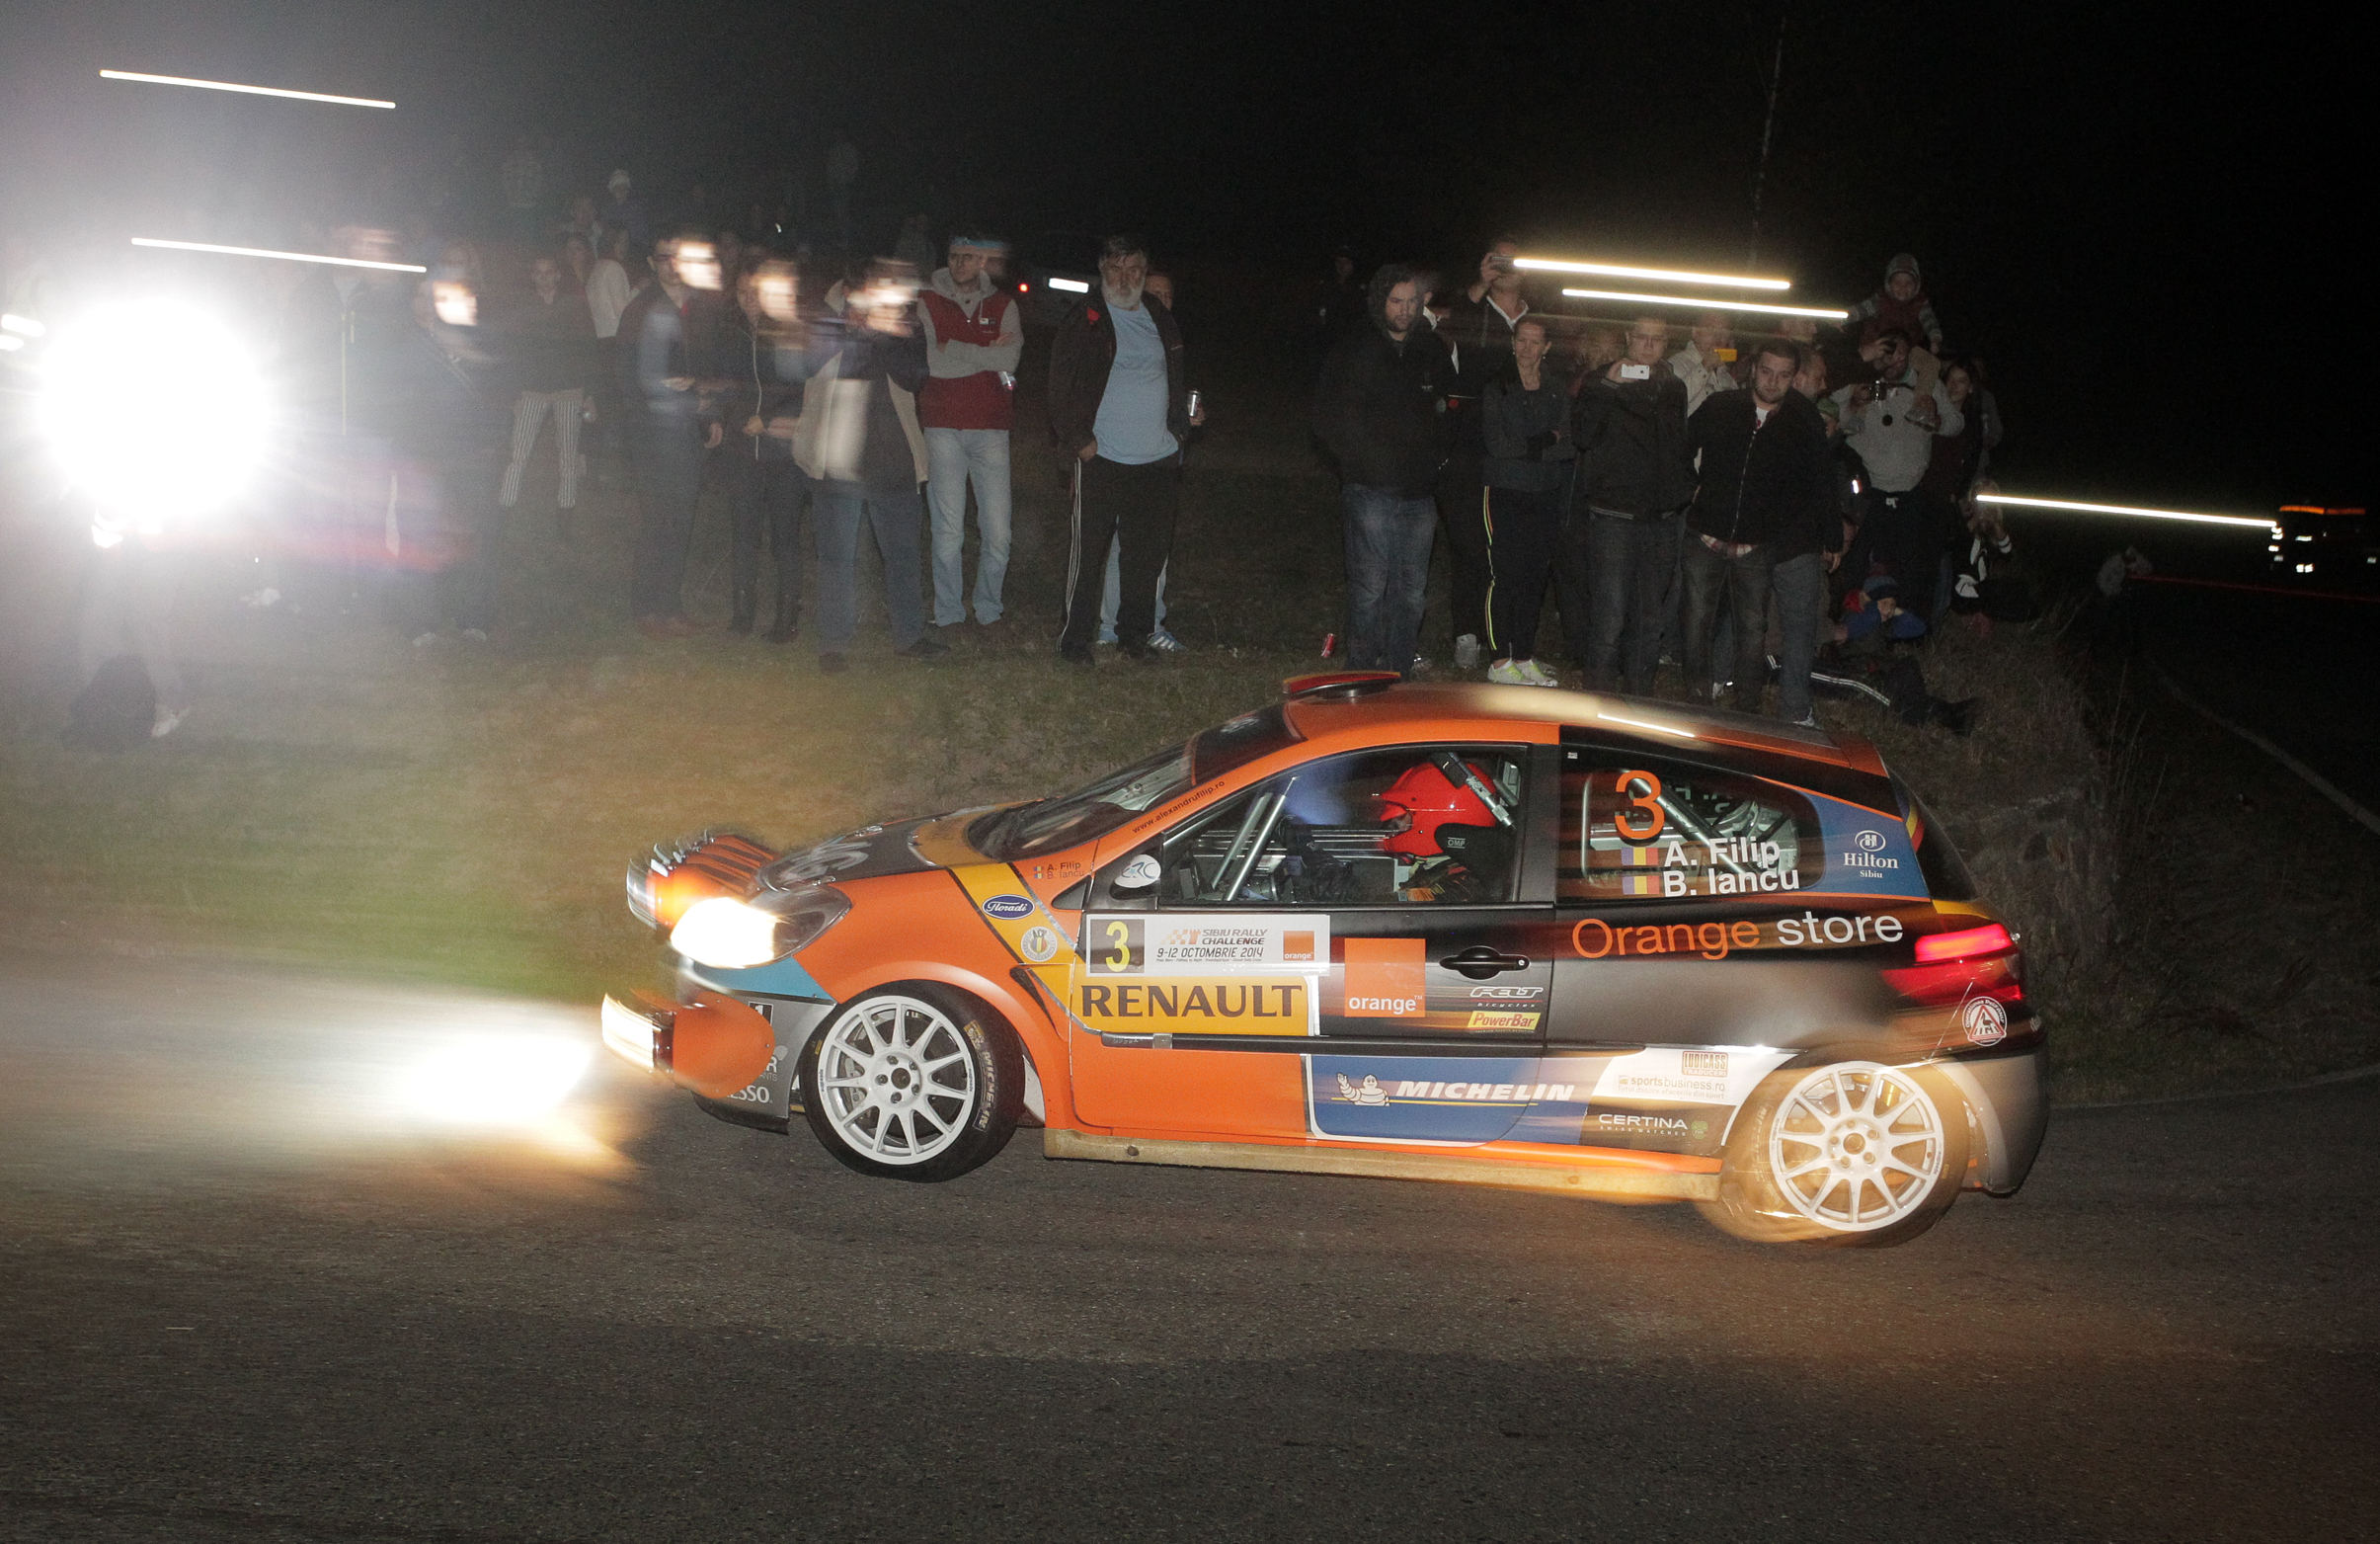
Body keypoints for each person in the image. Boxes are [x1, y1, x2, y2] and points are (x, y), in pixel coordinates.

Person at [1049, 234, 1201, 665]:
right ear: (1102, 271)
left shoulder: (1158, 316)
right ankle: (1075, 641)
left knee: (1144, 558)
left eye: (1133, 269)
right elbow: (1059, 384)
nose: (1124, 278)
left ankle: (1134, 636)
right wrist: (1078, 440)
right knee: (1089, 555)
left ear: (1144, 272)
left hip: (1156, 459)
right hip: (1102, 457)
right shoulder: (1087, 317)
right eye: (1115, 269)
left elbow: (1171, 374)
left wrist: (1180, 425)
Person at [794, 259, 942, 672]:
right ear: (847, 293)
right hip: (838, 461)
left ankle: (910, 635)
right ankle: (833, 643)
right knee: (836, 558)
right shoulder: (825, 321)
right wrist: (852, 331)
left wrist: (882, 333)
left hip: (893, 460)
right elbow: (806, 366)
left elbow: (916, 377)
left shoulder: (906, 325)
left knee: (903, 556)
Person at [1311, 263, 1455, 677]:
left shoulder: (1430, 349)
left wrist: (1438, 458)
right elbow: (1325, 413)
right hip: (1370, 489)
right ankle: (1361, 673)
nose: (1404, 310)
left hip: (1419, 494)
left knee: (1411, 592)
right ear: (1380, 302)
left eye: (1412, 301)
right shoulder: (1355, 347)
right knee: (1370, 589)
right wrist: (1356, 461)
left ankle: (1398, 673)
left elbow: (1451, 406)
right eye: (1396, 301)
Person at [1678, 339, 1835, 714]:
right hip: (1706, 535)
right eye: (1766, 371)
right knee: (1696, 622)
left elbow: (1819, 480)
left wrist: (1828, 535)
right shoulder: (1722, 406)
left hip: (1757, 544)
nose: (1772, 381)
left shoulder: (1802, 421)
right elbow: (1681, 445)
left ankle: (1746, 707)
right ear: (1753, 370)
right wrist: (1689, 486)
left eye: (1783, 375)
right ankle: (1697, 698)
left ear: (1793, 378)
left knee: (1752, 628)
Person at [1561, 316, 1693, 695]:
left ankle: (1638, 703)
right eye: (1641, 337)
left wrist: (1683, 489)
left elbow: (1678, 442)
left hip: (1661, 518)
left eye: (1657, 339)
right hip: (1614, 515)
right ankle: (1597, 706)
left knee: (1650, 620)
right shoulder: (1600, 380)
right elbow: (1582, 435)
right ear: (1627, 338)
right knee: (1610, 616)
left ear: (1666, 343)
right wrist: (1608, 387)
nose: (1648, 345)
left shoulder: (1673, 386)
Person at [617, 232, 730, 638]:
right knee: (657, 519)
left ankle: (670, 605)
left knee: (682, 518)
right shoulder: (640, 310)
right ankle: (648, 608)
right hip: (652, 432)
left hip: (687, 430)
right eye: (663, 257)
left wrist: (710, 412)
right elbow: (625, 375)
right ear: (652, 262)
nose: (671, 264)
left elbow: (711, 365)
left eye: (677, 257)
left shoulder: (700, 309)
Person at [917, 231, 1021, 631]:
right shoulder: (927, 301)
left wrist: (957, 347)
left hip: (992, 428)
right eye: (954, 256)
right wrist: (986, 353)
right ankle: (948, 610)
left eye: (968, 257)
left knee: (998, 533)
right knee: (948, 531)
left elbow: (1011, 359)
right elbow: (931, 362)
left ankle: (989, 606)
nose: (959, 263)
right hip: (942, 425)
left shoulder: (1003, 304)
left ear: (981, 262)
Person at [1437, 237, 1532, 670]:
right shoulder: (1474, 309)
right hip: (1471, 448)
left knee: (1510, 546)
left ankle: (1508, 638)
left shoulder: (1538, 317)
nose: (1506, 266)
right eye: (1498, 259)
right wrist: (1479, 283)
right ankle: (1467, 632)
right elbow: (1448, 326)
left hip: (1521, 450)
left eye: (1513, 259)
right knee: (1469, 542)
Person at [1833, 328, 1962, 612]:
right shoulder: (1858, 379)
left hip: (1909, 492)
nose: (1895, 360)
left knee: (1909, 566)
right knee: (1856, 562)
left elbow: (1956, 423)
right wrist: (1854, 402)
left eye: (1902, 354)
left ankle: (1905, 624)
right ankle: (1851, 622)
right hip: (1865, 493)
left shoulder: (1925, 384)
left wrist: (1936, 418)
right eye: (1888, 353)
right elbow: (1832, 416)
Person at [1478, 317, 1572, 687]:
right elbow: (1498, 445)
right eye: (1522, 340)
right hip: (1505, 490)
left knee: (1535, 577)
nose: (1527, 348)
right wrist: (1545, 439)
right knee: (1505, 575)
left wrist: (1534, 446)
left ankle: (1523, 654)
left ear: (1546, 347)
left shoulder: (1556, 388)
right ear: (1512, 342)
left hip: (1545, 492)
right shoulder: (1497, 386)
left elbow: (1567, 445)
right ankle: (1499, 660)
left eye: (1535, 342)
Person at [721, 261, 811, 641]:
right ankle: (742, 612)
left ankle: (786, 616)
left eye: (755, 292)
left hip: (782, 453)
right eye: (742, 292)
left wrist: (768, 418)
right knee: (744, 534)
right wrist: (722, 417)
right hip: (743, 450)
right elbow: (728, 385)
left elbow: (802, 390)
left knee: (785, 536)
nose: (748, 300)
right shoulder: (732, 333)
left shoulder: (787, 331)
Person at [1096, 267, 1183, 650]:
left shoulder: (1170, 336)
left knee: (1155, 550)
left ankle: (1150, 624)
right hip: (1120, 454)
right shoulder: (1121, 332)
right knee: (1120, 546)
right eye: (1154, 294)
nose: (1162, 302)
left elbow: (1172, 392)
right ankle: (1111, 626)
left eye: (1168, 296)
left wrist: (1185, 420)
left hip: (1161, 456)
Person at [495, 254, 595, 531]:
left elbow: (588, 350)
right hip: (532, 390)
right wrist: (514, 394)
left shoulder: (574, 306)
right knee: (518, 452)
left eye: (548, 272)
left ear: (558, 274)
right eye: (538, 272)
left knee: (568, 454)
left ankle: (565, 514)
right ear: (532, 276)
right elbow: (513, 352)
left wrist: (590, 394)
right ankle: (504, 509)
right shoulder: (523, 306)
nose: (544, 277)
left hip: (569, 390)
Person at [1669, 310, 1736, 417]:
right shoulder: (1675, 365)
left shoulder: (1726, 376)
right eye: (1711, 329)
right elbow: (1672, 403)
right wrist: (1705, 367)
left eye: (1724, 330)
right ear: (1695, 332)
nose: (1718, 335)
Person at [501, 135, 544, 245]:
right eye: (519, 143)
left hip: (530, 205)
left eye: (524, 142)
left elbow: (539, 179)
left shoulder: (535, 160)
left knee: (529, 236)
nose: (522, 146)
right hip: (513, 204)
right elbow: (505, 179)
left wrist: (535, 195)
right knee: (513, 234)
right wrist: (509, 195)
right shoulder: (510, 160)